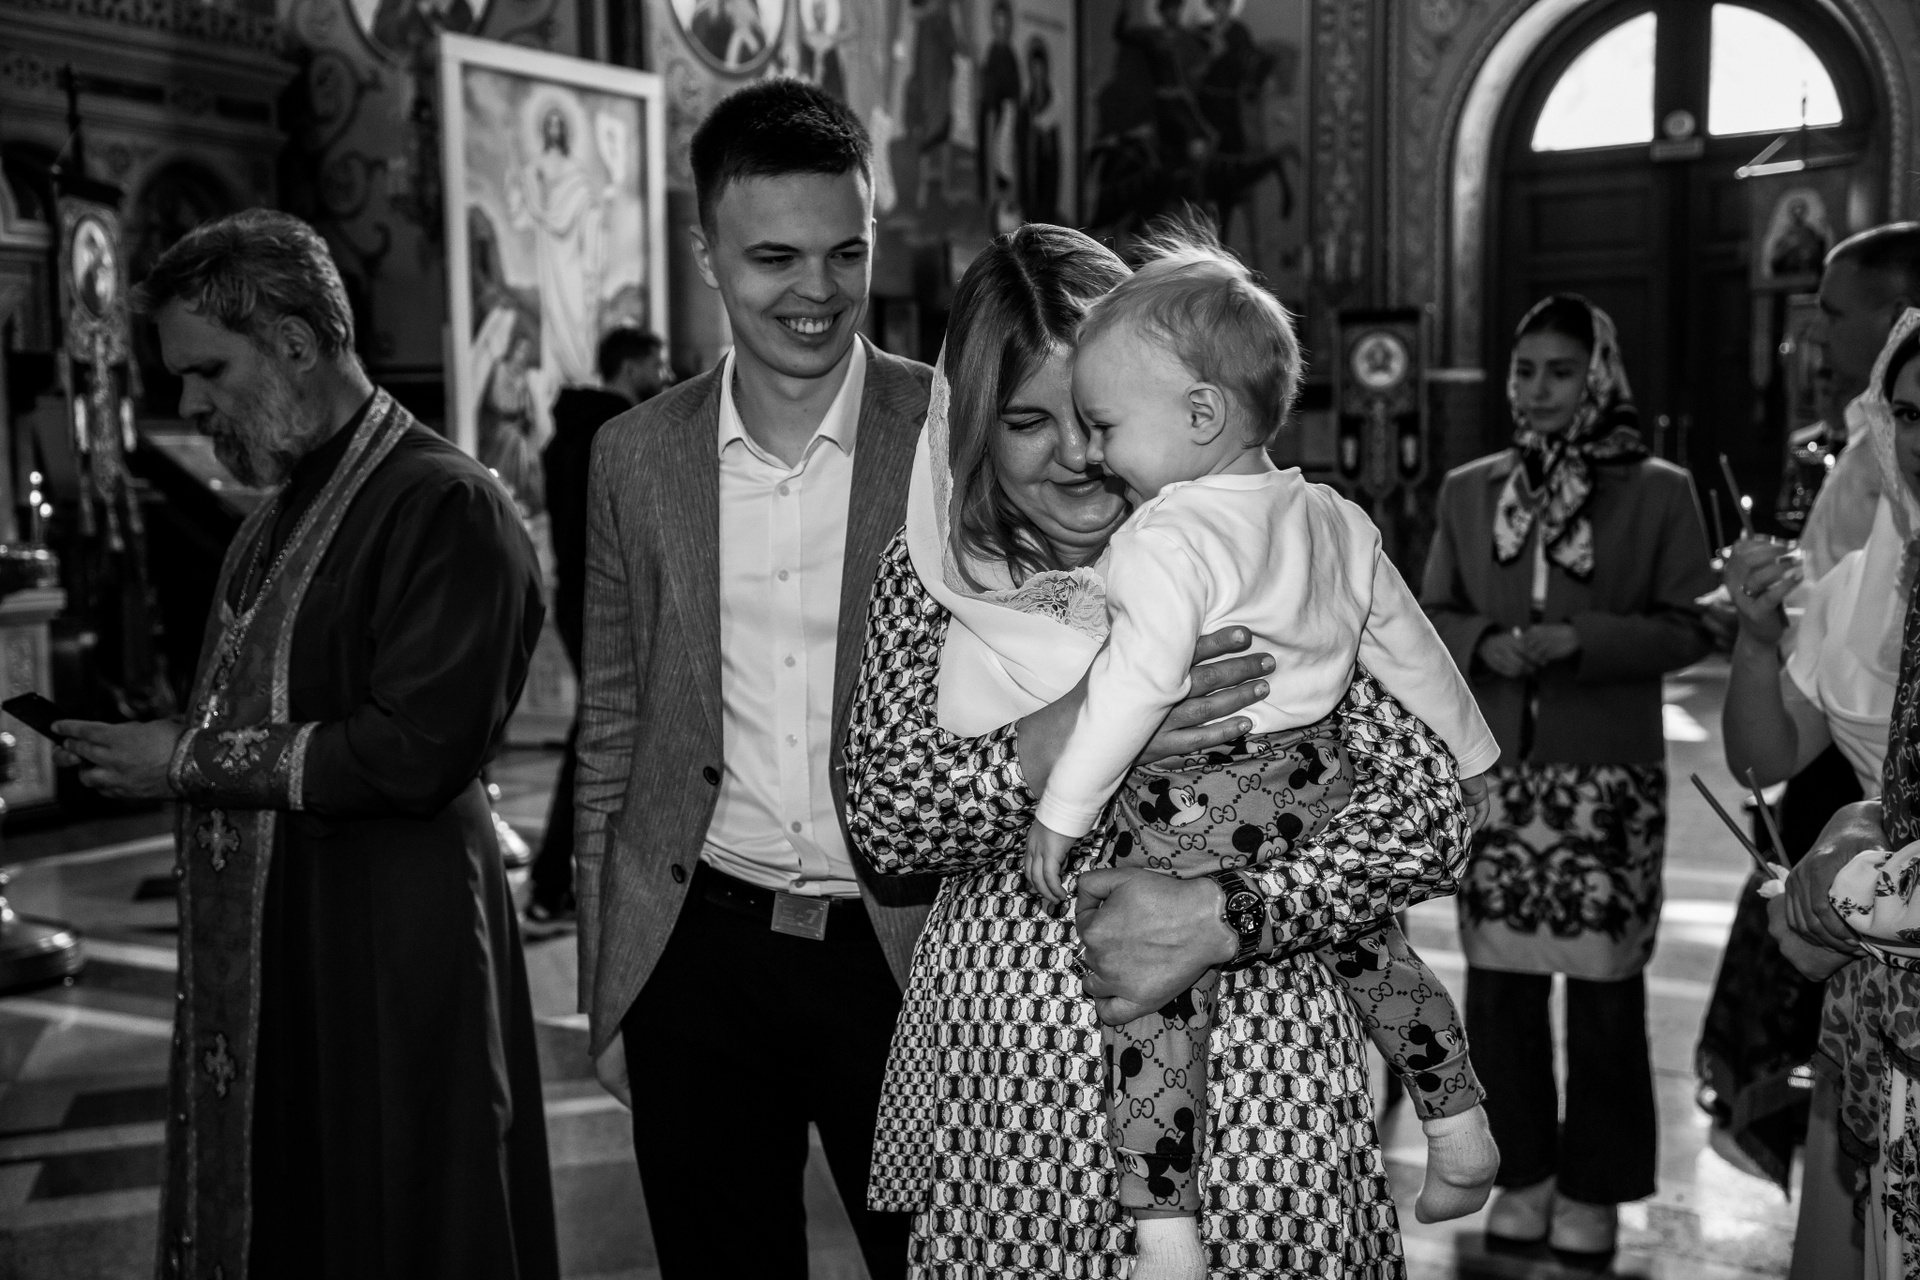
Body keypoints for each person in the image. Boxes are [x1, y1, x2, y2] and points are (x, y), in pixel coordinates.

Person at [848, 222, 1479, 1277]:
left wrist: (1232, 913)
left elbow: (1431, 818)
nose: (1080, 453)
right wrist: (1080, 726)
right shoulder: (935, 575)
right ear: (970, 425)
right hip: (1013, 1103)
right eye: (1027, 420)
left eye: (1097, 417)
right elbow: (885, 819)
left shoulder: (1267, 551)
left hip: (1258, 1075)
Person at [52, 210, 556, 1279]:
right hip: (283, 935)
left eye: (207, 370)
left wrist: (183, 759)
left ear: (292, 341)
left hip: (392, 932)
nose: (190, 405)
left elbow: (416, 750)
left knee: (397, 1202)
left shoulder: (446, 504)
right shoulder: (270, 516)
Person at [1020, 234, 1501, 1274]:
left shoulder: (1163, 539)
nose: (1093, 452)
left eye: (1105, 425)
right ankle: (1460, 1127)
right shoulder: (1334, 515)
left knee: (1151, 1009)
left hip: (1199, 807)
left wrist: (1061, 812)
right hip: (1320, 789)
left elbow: (1137, 689)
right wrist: (1472, 754)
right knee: (1377, 954)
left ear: (1200, 415)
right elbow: (1411, 648)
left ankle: (1167, 1235)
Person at [573, 81, 935, 1280]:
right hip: (698, 950)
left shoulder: (952, 434)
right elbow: (613, 724)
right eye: (774, 257)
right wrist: (612, 977)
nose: (816, 291)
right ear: (708, 256)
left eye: (847, 252)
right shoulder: (634, 456)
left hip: (906, 949)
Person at [1420, 293, 1715, 1255]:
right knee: (1500, 991)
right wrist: (1484, 640)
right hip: (1496, 775)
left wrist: (1582, 639)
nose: (1538, 390)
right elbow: (1428, 613)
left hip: (1609, 782)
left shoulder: (1660, 491)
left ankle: (1595, 1188)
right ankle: (1525, 1176)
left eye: (1560, 371)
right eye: (1525, 371)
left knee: (1603, 993)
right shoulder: (1471, 490)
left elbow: (1693, 624)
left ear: (1598, 377)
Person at [1741, 312, 1920, 1278]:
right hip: (1870, 979)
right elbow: (1763, 756)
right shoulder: (1865, 580)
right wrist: (1755, 636)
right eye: (1908, 414)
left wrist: (1852, 869)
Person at [524, 326, 671, 933]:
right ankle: (551, 885)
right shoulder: (623, 433)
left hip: (578, 597)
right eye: (656, 363)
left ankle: (565, 881)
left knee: (606, 733)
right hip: (613, 602)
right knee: (603, 735)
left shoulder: (568, 432)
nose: (663, 375)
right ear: (631, 366)